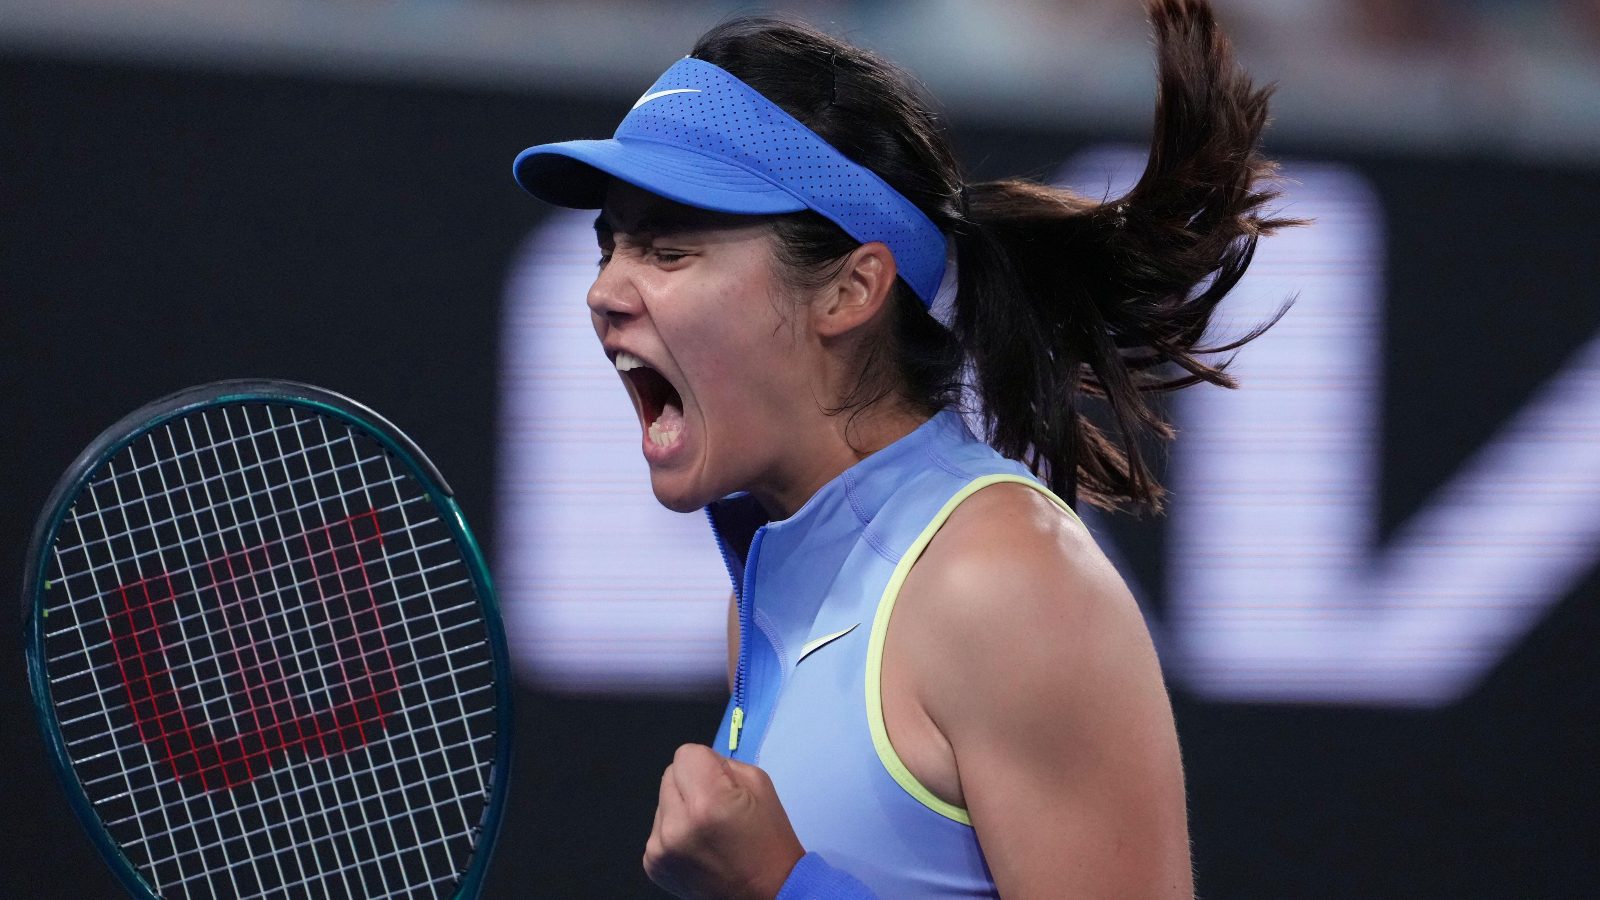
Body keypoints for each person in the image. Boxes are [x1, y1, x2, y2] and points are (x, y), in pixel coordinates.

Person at [511, 1, 1292, 895]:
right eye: (609, 247)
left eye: (666, 250)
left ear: (850, 290)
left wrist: (782, 883)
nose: (604, 291)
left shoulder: (1002, 585)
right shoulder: (770, 599)